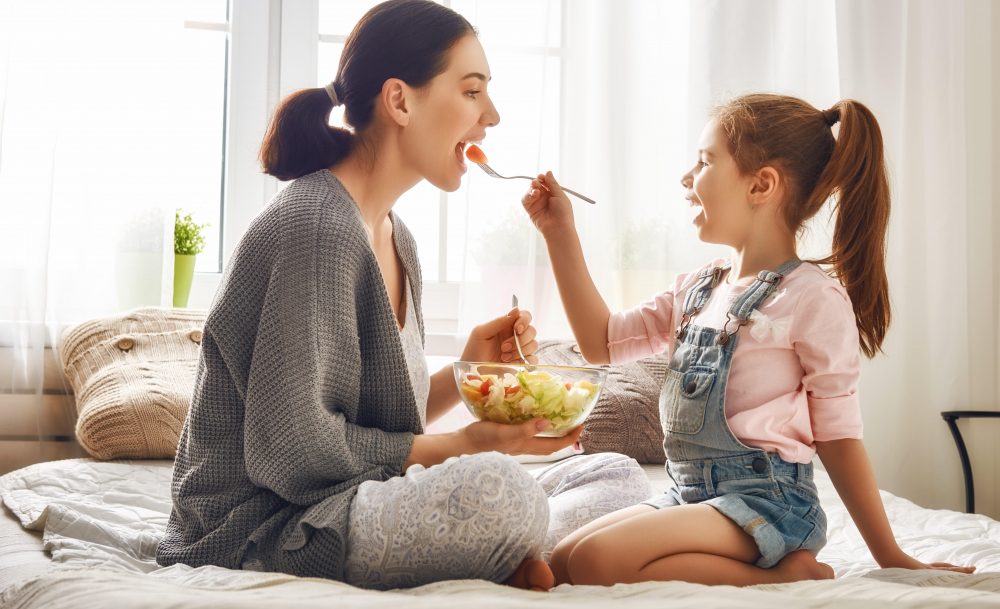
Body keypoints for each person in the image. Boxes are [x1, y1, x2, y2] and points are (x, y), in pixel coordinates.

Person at [155, 0, 649, 592]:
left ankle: (512, 550)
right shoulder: (314, 228)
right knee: (503, 493)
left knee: (615, 477)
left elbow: (380, 426)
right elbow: (296, 452)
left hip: (356, 498)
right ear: (400, 101)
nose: (491, 115)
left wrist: (469, 372)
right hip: (270, 527)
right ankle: (517, 548)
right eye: (471, 91)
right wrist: (463, 445)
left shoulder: (394, 235)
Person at [519, 93, 977, 586]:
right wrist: (558, 231)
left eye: (704, 161)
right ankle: (777, 568)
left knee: (596, 562)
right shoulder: (695, 289)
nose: (685, 178)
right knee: (564, 558)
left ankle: (789, 573)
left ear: (762, 185)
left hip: (766, 501)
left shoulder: (812, 300)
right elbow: (600, 344)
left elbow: (839, 438)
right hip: (688, 493)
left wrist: (890, 554)